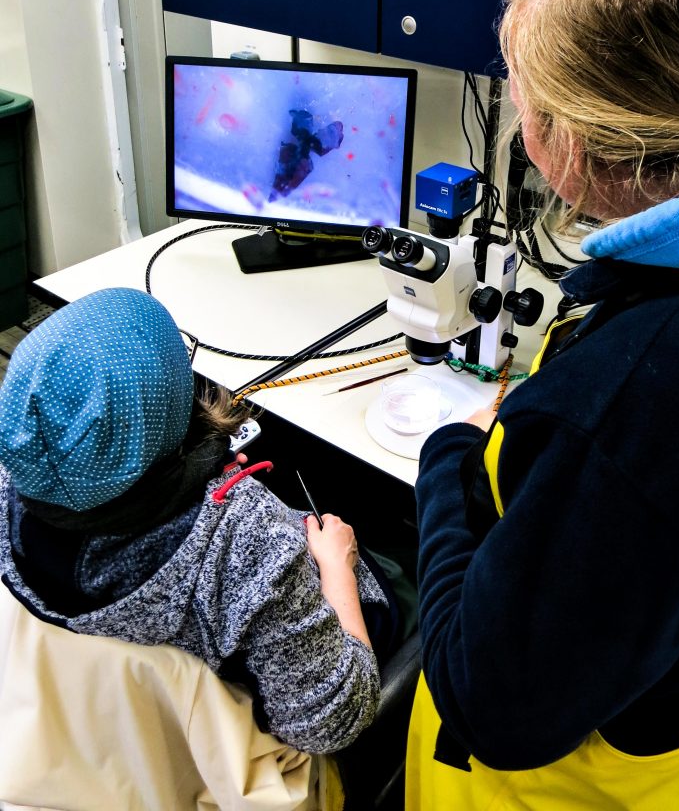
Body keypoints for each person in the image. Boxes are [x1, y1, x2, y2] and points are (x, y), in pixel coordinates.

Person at [405, 0, 679, 810]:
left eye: (519, 91)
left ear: (573, 142)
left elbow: (493, 704)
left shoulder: (648, 392)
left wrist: (449, 464)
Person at [0, 287, 396, 763]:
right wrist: (338, 569)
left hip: (97, 732)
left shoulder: (12, 486)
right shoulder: (247, 536)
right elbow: (333, 724)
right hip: (219, 760)